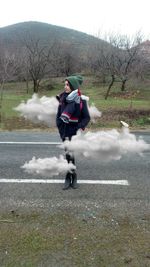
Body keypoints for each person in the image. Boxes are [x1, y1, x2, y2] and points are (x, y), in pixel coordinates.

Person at [56, 75, 90, 190]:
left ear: (73, 86)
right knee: (67, 154)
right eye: (64, 84)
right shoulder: (62, 99)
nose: (65, 87)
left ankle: (72, 176)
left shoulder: (81, 100)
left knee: (72, 154)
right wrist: (60, 127)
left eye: (67, 84)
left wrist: (78, 127)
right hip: (64, 131)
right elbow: (58, 115)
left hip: (74, 132)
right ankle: (70, 175)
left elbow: (86, 118)